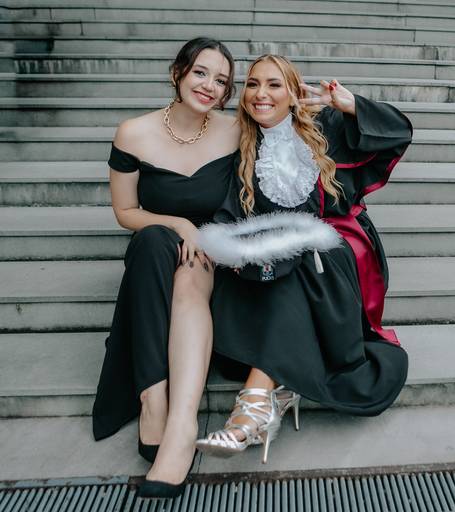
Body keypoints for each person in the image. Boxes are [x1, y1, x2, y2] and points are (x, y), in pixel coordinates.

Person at [195, 54, 412, 463]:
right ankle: (270, 396)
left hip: (334, 248)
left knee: (301, 262)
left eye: (274, 84)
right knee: (271, 267)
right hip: (277, 261)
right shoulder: (245, 148)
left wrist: (350, 105)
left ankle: (250, 412)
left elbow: (398, 132)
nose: (260, 94)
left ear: (294, 93)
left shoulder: (326, 127)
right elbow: (231, 213)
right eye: (253, 84)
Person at [91, 37, 240, 497]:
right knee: (154, 239)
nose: (210, 86)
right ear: (178, 72)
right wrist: (177, 223)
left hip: (213, 253)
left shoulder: (236, 130)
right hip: (156, 252)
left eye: (221, 80)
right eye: (201, 72)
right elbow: (125, 211)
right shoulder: (133, 133)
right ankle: (152, 397)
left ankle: (180, 425)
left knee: (189, 271)